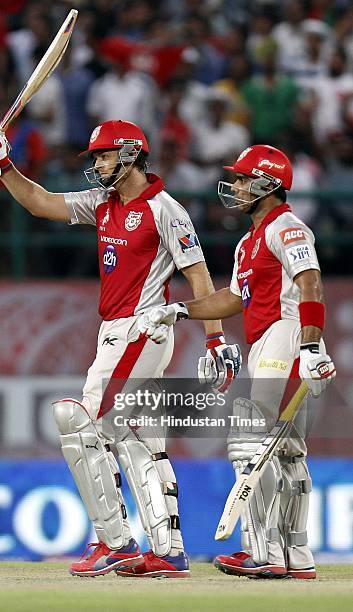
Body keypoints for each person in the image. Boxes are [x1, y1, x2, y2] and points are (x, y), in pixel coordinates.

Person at [0, 117, 242, 578]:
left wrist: (215, 338)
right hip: (117, 332)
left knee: (78, 421)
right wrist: (3, 166)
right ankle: (169, 552)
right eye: (94, 156)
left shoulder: (165, 209)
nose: (96, 164)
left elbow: (197, 275)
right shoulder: (102, 202)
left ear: (131, 154)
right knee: (142, 441)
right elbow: (42, 203)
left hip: (142, 328)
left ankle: (113, 542)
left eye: (103, 155)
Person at [138, 144, 336, 579]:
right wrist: (181, 310)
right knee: (285, 452)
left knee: (251, 443)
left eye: (245, 179)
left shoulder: (288, 227)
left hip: (286, 334)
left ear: (268, 184)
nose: (238, 186)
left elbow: (311, 285)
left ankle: (265, 553)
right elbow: (234, 298)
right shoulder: (248, 242)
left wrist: (310, 346)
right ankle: (295, 556)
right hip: (267, 340)